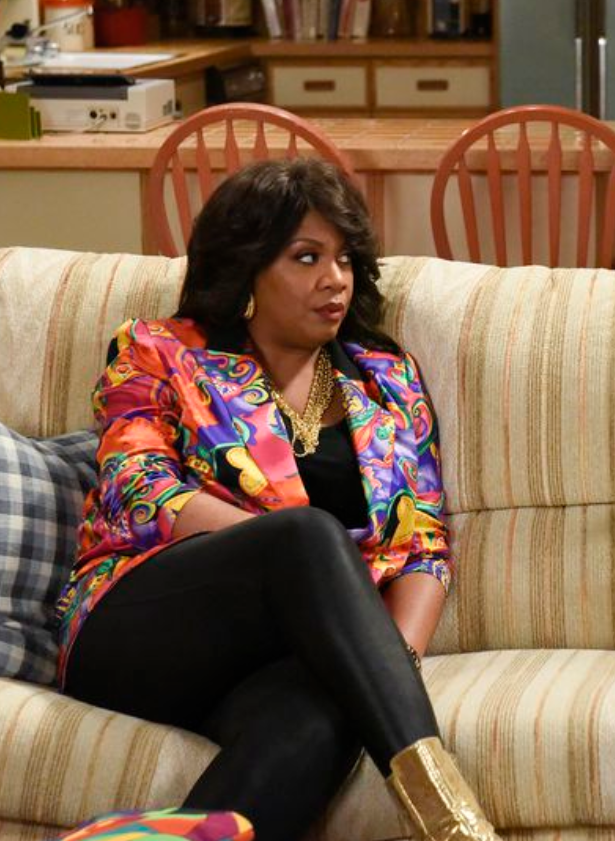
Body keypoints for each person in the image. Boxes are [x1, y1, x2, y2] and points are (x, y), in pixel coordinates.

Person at [54, 158, 501, 839]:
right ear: (247, 270)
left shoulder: (387, 381)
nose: (335, 279)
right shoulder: (158, 352)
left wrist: (384, 665)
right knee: (305, 535)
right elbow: (141, 487)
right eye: (306, 257)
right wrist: (288, 562)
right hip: (143, 629)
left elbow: (421, 545)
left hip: (283, 658)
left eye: (345, 259)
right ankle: (456, 824)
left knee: (330, 711)